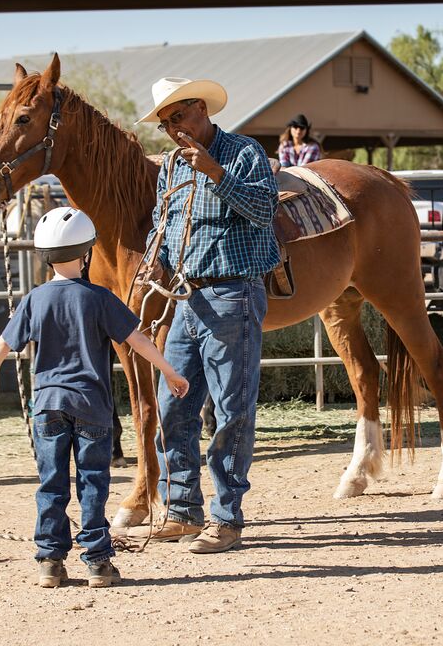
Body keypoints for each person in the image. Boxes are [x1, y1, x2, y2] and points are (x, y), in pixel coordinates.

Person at [0, 206, 189, 588]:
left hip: (47, 407)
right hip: (91, 406)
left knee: (51, 484)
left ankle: (50, 563)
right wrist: (170, 372)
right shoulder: (100, 298)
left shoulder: (35, 299)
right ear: (87, 252)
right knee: (93, 483)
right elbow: (137, 339)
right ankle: (97, 562)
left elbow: (5, 342)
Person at [137, 76, 278, 554]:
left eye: (178, 117)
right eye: (165, 124)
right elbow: (164, 220)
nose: (173, 130)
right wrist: (156, 259)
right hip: (186, 298)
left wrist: (217, 173)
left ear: (200, 107)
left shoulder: (243, 153)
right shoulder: (172, 167)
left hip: (233, 292)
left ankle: (226, 517)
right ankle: (182, 510)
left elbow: (263, 210)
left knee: (231, 409)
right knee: (173, 402)